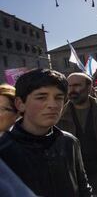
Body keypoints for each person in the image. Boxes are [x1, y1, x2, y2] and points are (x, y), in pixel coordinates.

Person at [0, 69, 92, 197]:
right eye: (41, 97)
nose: (52, 105)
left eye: (58, 98)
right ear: (20, 104)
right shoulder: (4, 149)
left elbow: (84, 189)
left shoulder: (69, 142)